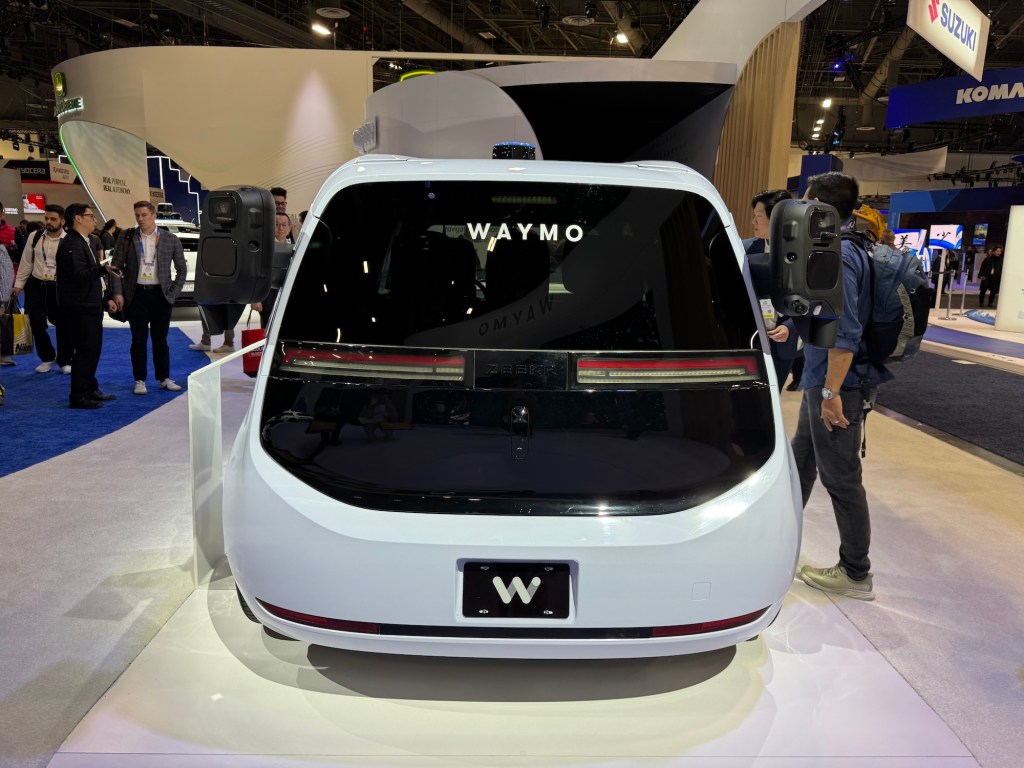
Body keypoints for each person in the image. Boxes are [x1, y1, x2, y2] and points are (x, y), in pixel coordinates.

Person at [791, 172, 890, 601]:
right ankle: (779, 545)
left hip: (837, 387)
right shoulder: (849, 248)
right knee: (799, 467)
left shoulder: (841, 255)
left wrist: (831, 394)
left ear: (819, 207)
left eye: (805, 199)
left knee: (842, 480)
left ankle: (855, 573)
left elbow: (844, 333)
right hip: (822, 382)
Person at [109, 200, 188, 395]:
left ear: (154, 216)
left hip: (161, 295)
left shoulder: (170, 239)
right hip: (136, 295)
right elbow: (116, 267)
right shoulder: (127, 237)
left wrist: (173, 292)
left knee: (161, 340)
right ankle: (140, 380)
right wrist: (117, 292)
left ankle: (164, 378)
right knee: (138, 340)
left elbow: (181, 269)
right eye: (137, 215)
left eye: (144, 215)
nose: (140, 219)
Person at [56, 202, 120, 409]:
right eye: (90, 216)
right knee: (85, 350)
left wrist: (104, 298)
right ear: (78, 218)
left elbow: (90, 276)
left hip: (89, 304)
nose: (94, 220)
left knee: (92, 350)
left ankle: (90, 388)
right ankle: (79, 395)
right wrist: (103, 269)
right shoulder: (72, 244)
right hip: (80, 307)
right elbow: (79, 276)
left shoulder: (85, 241)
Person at [743, 189, 799, 389]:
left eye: (759, 216)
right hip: (749, 341)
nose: (753, 222)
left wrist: (790, 327)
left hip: (782, 342)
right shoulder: (745, 249)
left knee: (772, 398)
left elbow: (811, 300)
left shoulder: (800, 254)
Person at [11, 204, 72, 374]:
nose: (49, 222)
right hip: (36, 285)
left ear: (62, 221)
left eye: (53, 219)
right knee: (36, 324)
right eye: (47, 218)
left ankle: (65, 360)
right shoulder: (35, 236)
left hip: (59, 288)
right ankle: (47, 357)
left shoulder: (70, 240)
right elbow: (25, 262)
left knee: (63, 324)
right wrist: (18, 285)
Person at [251, 211, 292, 329]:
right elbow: (254, 272)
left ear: (289, 228)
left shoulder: (294, 246)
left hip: (286, 292)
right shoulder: (263, 246)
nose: (280, 228)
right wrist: (255, 298)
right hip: (267, 293)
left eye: (284, 225)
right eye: (276, 224)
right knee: (269, 326)